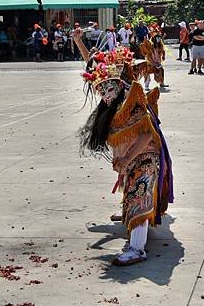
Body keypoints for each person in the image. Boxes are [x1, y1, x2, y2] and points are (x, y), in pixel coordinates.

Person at [74, 32, 174, 266]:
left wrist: (127, 158)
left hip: (146, 156)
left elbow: (146, 135)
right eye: (101, 91)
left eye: (107, 89)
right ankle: (133, 222)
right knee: (132, 196)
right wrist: (78, 42)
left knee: (139, 196)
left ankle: (137, 249)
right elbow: (92, 64)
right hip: (131, 160)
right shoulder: (110, 102)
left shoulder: (133, 98)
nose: (104, 94)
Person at [138, 23, 168, 91]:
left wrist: (163, 56)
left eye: (159, 37)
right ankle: (146, 85)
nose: (158, 39)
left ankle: (161, 83)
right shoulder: (149, 43)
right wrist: (152, 62)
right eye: (157, 37)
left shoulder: (160, 44)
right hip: (150, 62)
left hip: (157, 61)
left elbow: (162, 50)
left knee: (161, 70)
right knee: (147, 73)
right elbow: (145, 52)